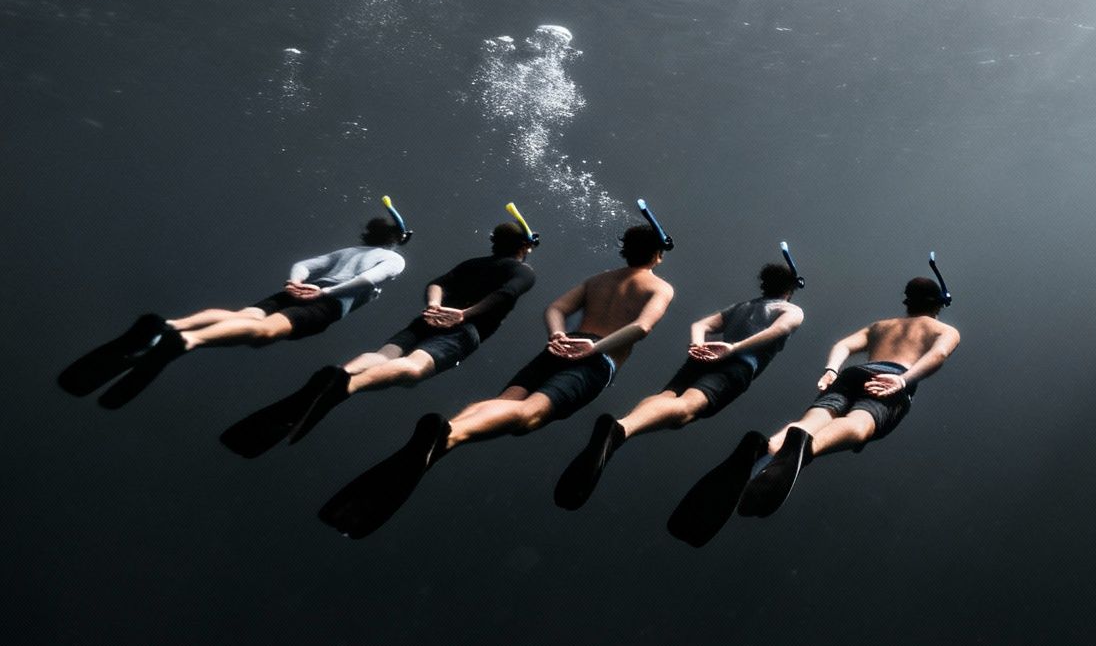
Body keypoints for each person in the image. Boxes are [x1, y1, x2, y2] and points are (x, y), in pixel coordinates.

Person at [317, 221, 674, 539]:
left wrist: (557, 336)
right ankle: (449, 434)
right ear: (657, 253)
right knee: (528, 416)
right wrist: (592, 351)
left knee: (505, 402)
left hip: (558, 349)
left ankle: (452, 430)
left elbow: (555, 308)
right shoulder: (660, 287)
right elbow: (641, 327)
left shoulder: (597, 280)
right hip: (595, 359)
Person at [672, 275, 960, 543]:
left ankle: (768, 447)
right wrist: (902, 379)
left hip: (853, 374)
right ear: (937, 304)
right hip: (891, 378)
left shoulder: (882, 326)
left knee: (810, 420)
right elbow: (939, 354)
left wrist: (832, 370)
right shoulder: (944, 329)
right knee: (860, 426)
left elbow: (843, 344)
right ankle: (807, 447)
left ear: (908, 301)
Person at [219, 221, 539, 458]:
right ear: (524, 246)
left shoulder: (473, 263)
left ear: (494, 242)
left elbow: (437, 282)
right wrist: (463, 316)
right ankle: (347, 386)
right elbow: (505, 294)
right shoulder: (525, 272)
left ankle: (342, 374)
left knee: (384, 355)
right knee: (413, 370)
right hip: (463, 329)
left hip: (427, 320)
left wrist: (434, 306)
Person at [58, 215, 410, 409]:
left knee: (247, 315)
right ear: (397, 238)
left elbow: (305, 264)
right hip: (326, 301)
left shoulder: (347, 249)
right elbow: (368, 278)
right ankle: (186, 339)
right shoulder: (394, 258)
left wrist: (293, 283)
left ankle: (169, 325)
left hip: (298, 291)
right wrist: (324, 291)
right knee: (265, 333)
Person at [554, 259, 805, 510]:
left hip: (705, 358)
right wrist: (733, 348)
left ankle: (622, 426)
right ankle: (618, 431)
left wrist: (698, 345)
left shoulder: (744, 306)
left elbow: (701, 324)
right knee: (688, 407)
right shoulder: (791, 310)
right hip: (735, 365)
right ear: (791, 288)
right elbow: (780, 329)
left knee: (669, 400)